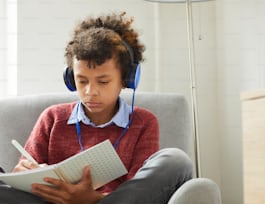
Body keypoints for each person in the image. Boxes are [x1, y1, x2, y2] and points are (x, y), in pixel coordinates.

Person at [0, 11, 193, 204]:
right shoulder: (53, 117)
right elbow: (24, 177)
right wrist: (25, 171)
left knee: (176, 161)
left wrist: (94, 199)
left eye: (103, 82)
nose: (90, 91)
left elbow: (140, 190)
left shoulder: (143, 122)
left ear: (126, 79)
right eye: (82, 81)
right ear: (70, 78)